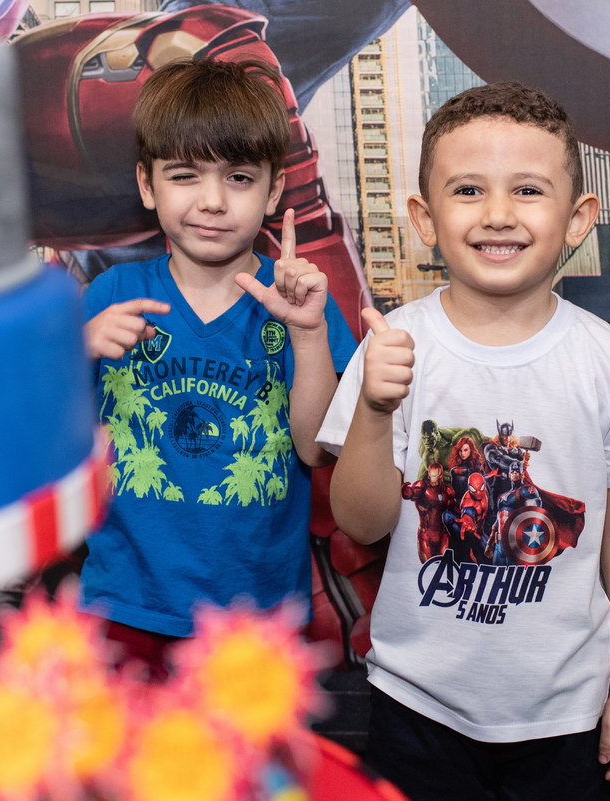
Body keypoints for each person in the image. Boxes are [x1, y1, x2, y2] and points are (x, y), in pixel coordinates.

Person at [316, 82, 610, 801]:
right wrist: (374, 405)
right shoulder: (395, 346)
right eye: (468, 189)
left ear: (577, 218)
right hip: (415, 705)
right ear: (424, 217)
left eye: (527, 190)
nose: (498, 214)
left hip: (570, 715)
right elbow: (362, 522)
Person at [77, 59, 358, 674]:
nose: (211, 201)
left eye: (237, 177)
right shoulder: (111, 295)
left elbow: (316, 450)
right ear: (148, 186)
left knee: (249, 773)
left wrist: (307, 335)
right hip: (124, 604)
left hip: (255, 622)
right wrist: (79, 353)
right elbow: (43, 443)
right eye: (184, 175)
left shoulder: (303, 301)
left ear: (274, 190)